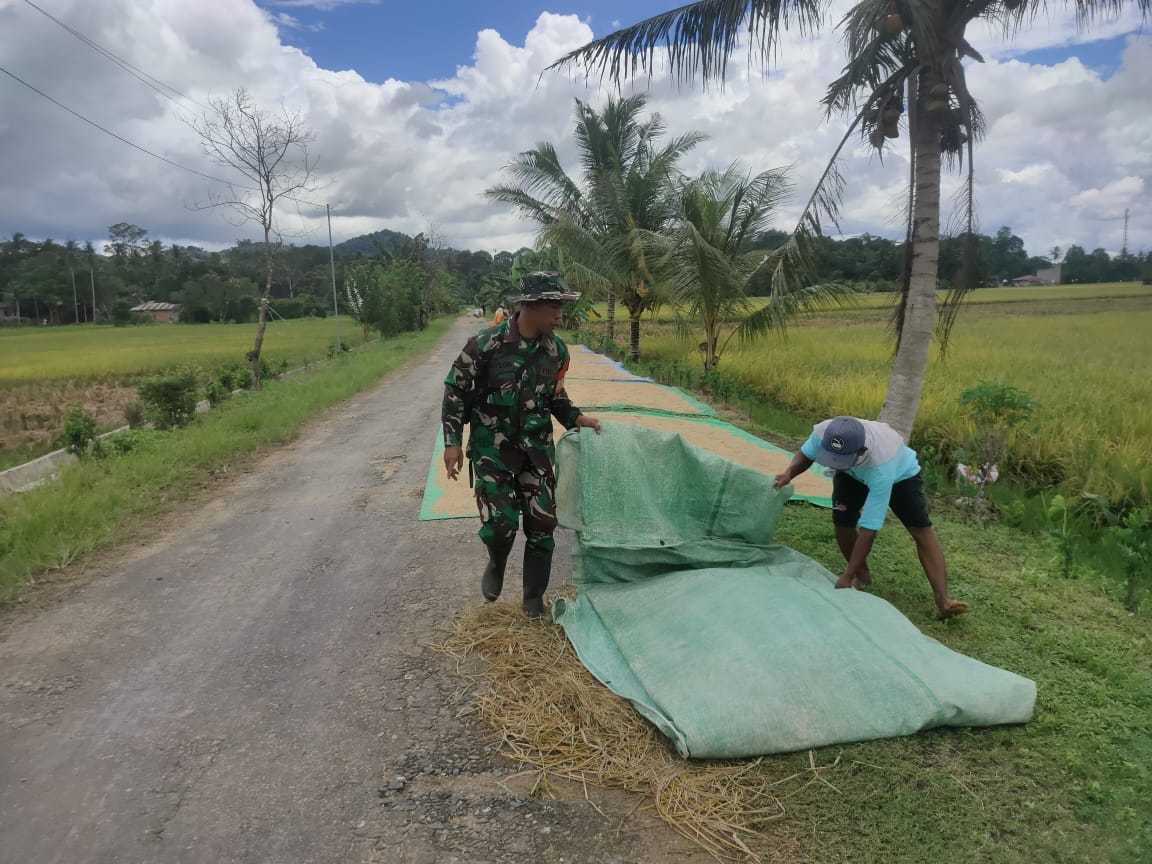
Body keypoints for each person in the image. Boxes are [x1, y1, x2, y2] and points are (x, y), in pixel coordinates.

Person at [442, 272, 601, 619]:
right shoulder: (485, 345)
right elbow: (455, 391)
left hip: (536, 450)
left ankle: (533, 600)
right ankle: (497, 562)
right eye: (553, 305)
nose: (560, 313)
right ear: (530, 305)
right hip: (491, 449)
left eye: (562, 305)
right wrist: (452, 442)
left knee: (543, 524)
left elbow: (555, 397)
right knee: (501, 524)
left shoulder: (556, 351)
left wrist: (577, 418)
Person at [774, 416, 970, 619]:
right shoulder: (827, 431)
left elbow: (869, 528)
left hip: (901, 477)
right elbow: (806, 454)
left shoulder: (882, 467)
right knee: (842, 520)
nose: (834, 464)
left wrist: (846, 576)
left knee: (920, 529)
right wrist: (790, 473)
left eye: (839, 460)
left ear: (862, 451)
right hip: (852, 474)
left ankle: (943, 599)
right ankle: (861, 574)